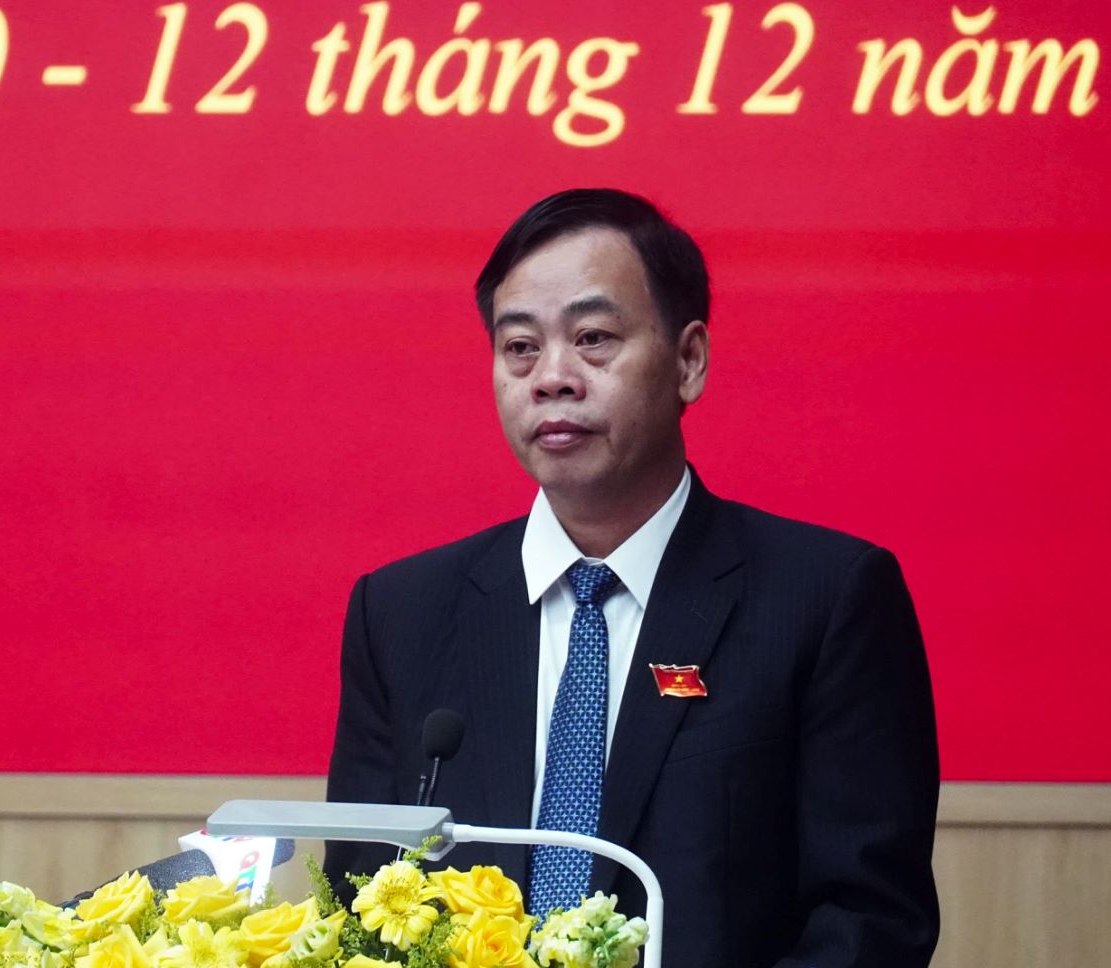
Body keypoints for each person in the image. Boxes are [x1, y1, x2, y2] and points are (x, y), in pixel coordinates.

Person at [323, 188, 939, 967]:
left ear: (689, 360)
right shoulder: (402, 612)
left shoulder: (825, 599)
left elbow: (869, 922)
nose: (552, 377)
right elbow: (360, 902)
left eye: (593, 338)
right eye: (520, 347)